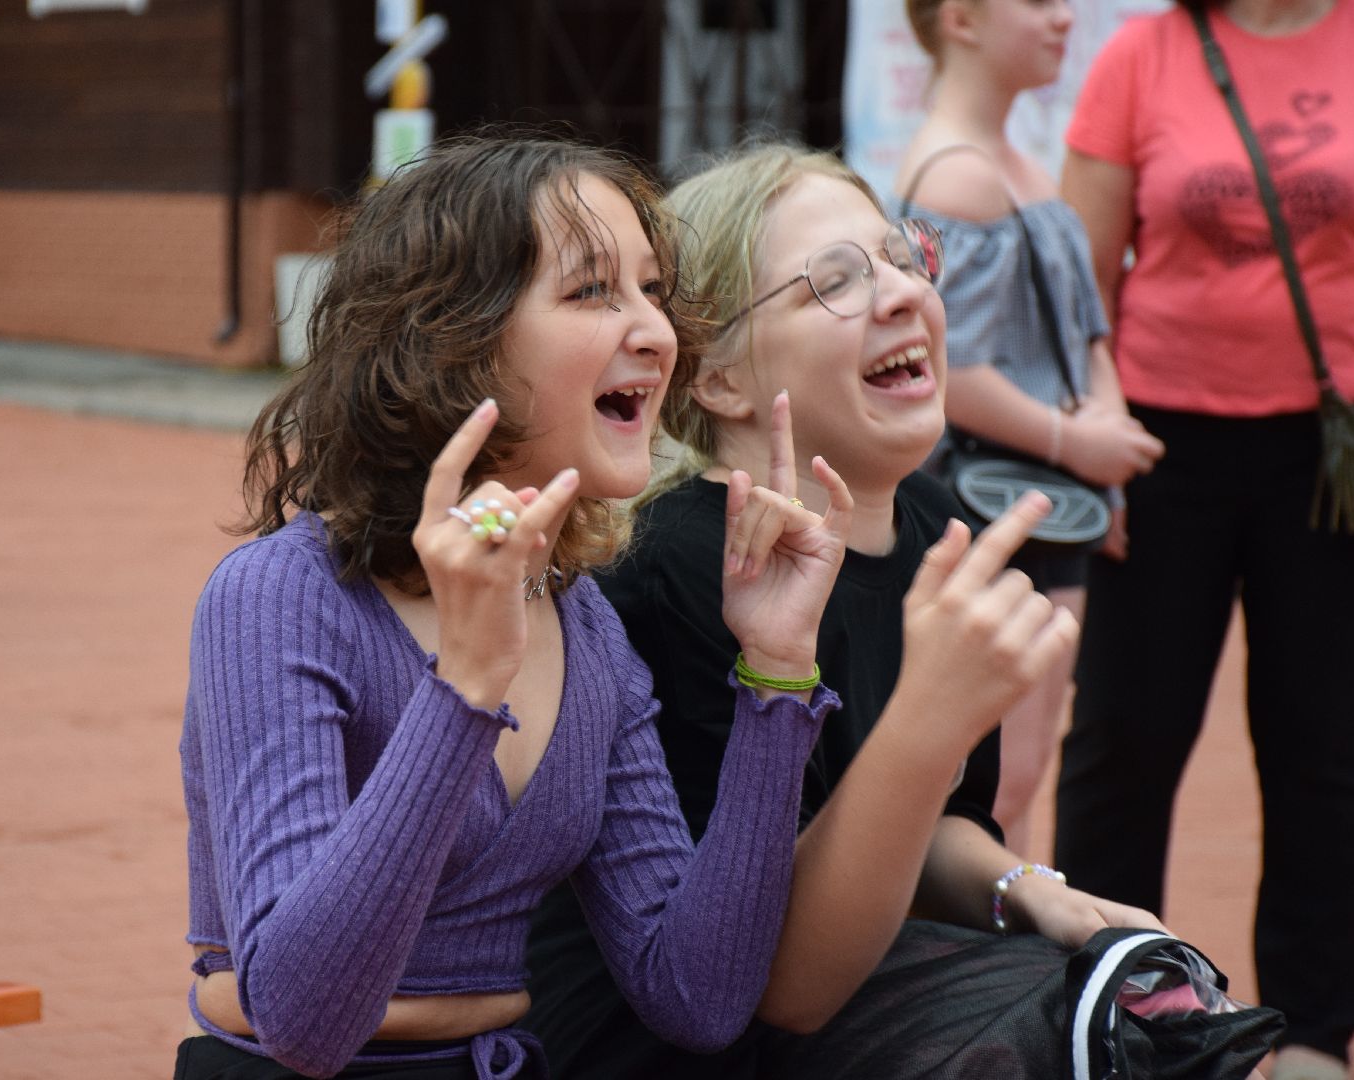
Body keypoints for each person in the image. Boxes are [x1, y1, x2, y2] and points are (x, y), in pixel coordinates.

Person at [176, 134, 854, 1080]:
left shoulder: (588, 628)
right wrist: (464, 684)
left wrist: (777, 672)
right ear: (453, 341)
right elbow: (300, 1017)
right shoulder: (281, 597)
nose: (656, 331)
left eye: (653, 290)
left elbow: (697, 995)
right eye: (592, 291)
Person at [521, 141, 1166, 1079]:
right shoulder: (681, 565)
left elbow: (939, 820)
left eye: (903, 257)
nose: (901, 294)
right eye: (833, 281)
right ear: (718, 377)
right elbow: (778, 983)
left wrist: (1031, 892)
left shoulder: (934, 523)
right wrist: (927, 719)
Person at [1053, 2, 1354, 1077]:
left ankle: (1318, 1033)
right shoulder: (1142, 55)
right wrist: (1091, 449)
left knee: (1326, 748)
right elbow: (1081, 286)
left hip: (1334, 452)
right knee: (1122, 746)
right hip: (1158, 446)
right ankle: (1110, 1005)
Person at [894, 0, 1163, 852]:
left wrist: (1101, 451)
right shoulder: (955, 176)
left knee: (1024, 772)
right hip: (996, 499)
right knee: (999, 787)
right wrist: (1075, 443)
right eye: (1038, 3)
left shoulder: (1018, 163)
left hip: (1046, 500)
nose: (1062, 19)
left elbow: (1083, 330)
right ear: (962, 20)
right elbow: (950, 363)